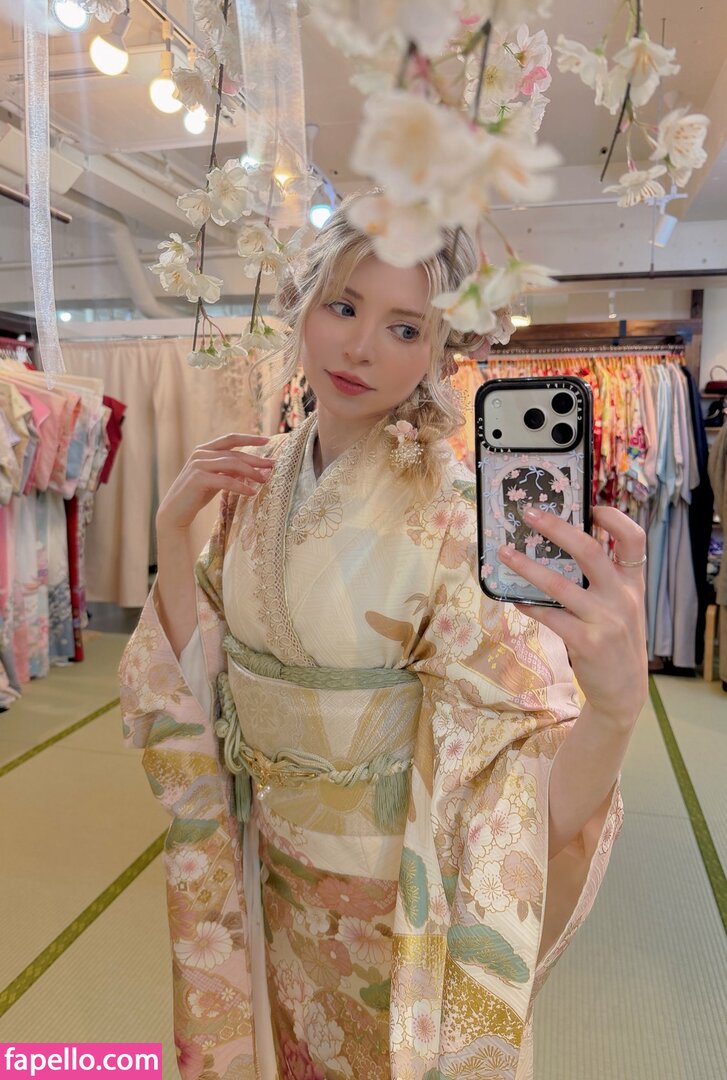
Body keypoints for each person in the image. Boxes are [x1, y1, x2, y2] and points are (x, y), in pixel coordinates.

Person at [119, 195, 648, 1080]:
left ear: (442, 351)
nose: (361, 347)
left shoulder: (458, 515)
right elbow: (195, 690)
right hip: (269, 870)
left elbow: (521, 785)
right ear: (302, 309)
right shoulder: (257, 478)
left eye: (405, 328)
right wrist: (173, 539)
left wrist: (615, 711)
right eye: (342, 307)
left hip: (397, 898)